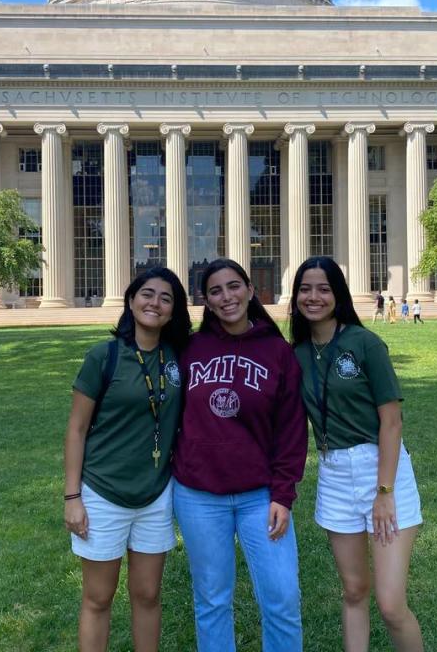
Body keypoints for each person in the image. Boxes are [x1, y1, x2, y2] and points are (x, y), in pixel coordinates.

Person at [173, 258, 308, 652]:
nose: (226, 296)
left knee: (281, 598)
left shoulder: (278, 352)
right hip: (198, 496)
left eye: (234, 286)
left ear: (250, 290)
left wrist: (283, 494)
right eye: (215, 290)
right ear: (207, 301)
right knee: (212, 600)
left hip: (260, 497)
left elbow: (292, 429)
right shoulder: (192, 349)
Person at [290, 256, 424, 652]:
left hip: (380, 470)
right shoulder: (295, 354)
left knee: (391, 604)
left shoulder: (365, 344)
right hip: (333, 474)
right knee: (352, 591)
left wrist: (384, 493)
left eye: (323, 289)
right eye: (305, 289)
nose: (313, 297)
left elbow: (392, 423)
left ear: (338, 294)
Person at [64, 267, 192, 652]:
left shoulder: (178, 358)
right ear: (131, 299)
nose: (155, 303)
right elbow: (76, 430)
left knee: (148, 595)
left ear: (174, 310)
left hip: (155, 494)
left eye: (166, 298)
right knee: (98, 598)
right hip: (103, 493)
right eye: (147, 294)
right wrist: (72, 498)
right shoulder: (104, 356)